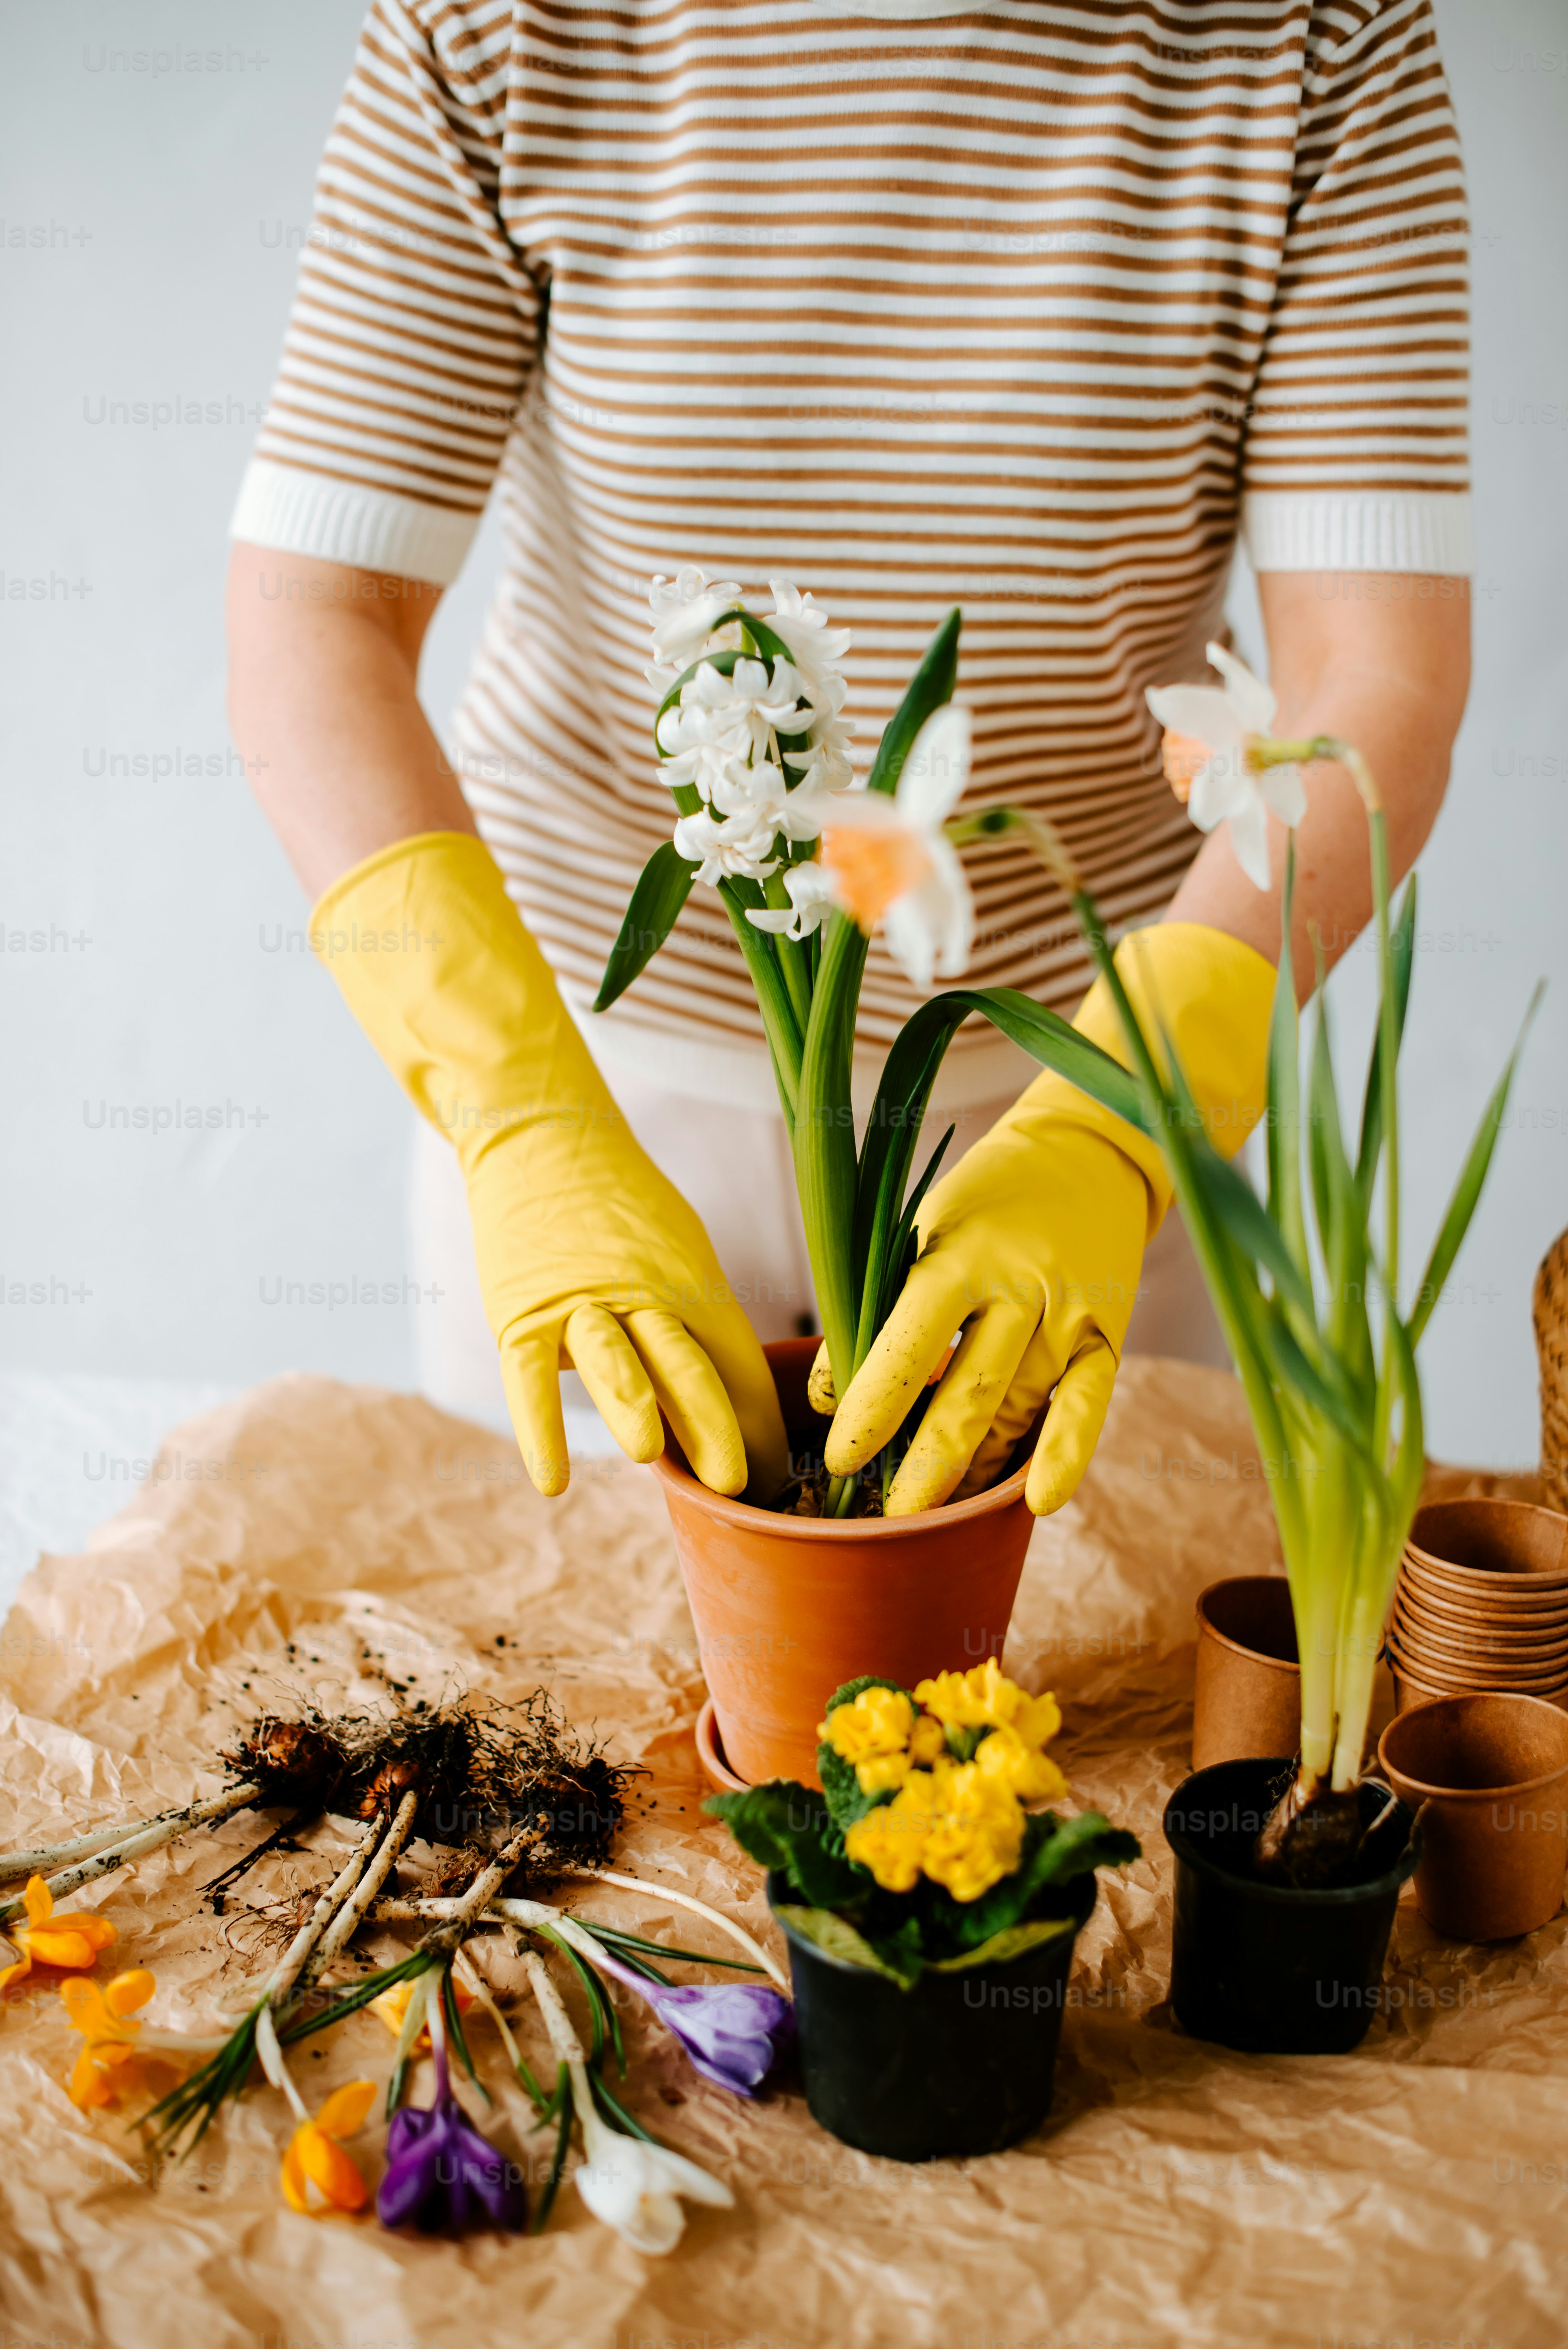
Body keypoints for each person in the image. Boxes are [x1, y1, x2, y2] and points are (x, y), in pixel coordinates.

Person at [227, 0, 1472, 1517]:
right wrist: (516, 1112)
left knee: (1069, 1711)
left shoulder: (1314, 37)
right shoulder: (500, 25)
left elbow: (1374, 677)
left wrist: (1125, 1118)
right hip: (597, 1091)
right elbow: (312, 615)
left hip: (1079, 1110)